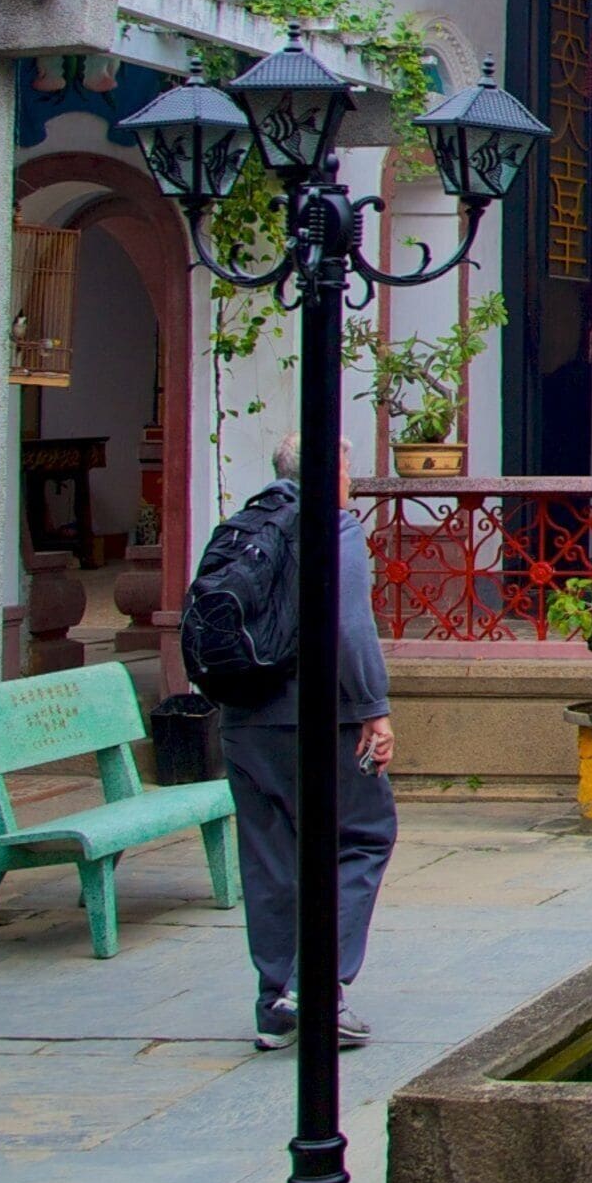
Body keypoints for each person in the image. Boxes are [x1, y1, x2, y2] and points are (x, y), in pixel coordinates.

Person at [219, 436, 397, 1054]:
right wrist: (373, 709)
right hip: (319, 717)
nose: (351, 480)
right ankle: (315, 987)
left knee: (270, 857)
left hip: (245, 717)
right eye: (347, 468)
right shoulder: (331, 526)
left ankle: (274, 1003)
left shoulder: (242, 526)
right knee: (363, 835)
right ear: (332, 469)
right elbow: (349, 626)